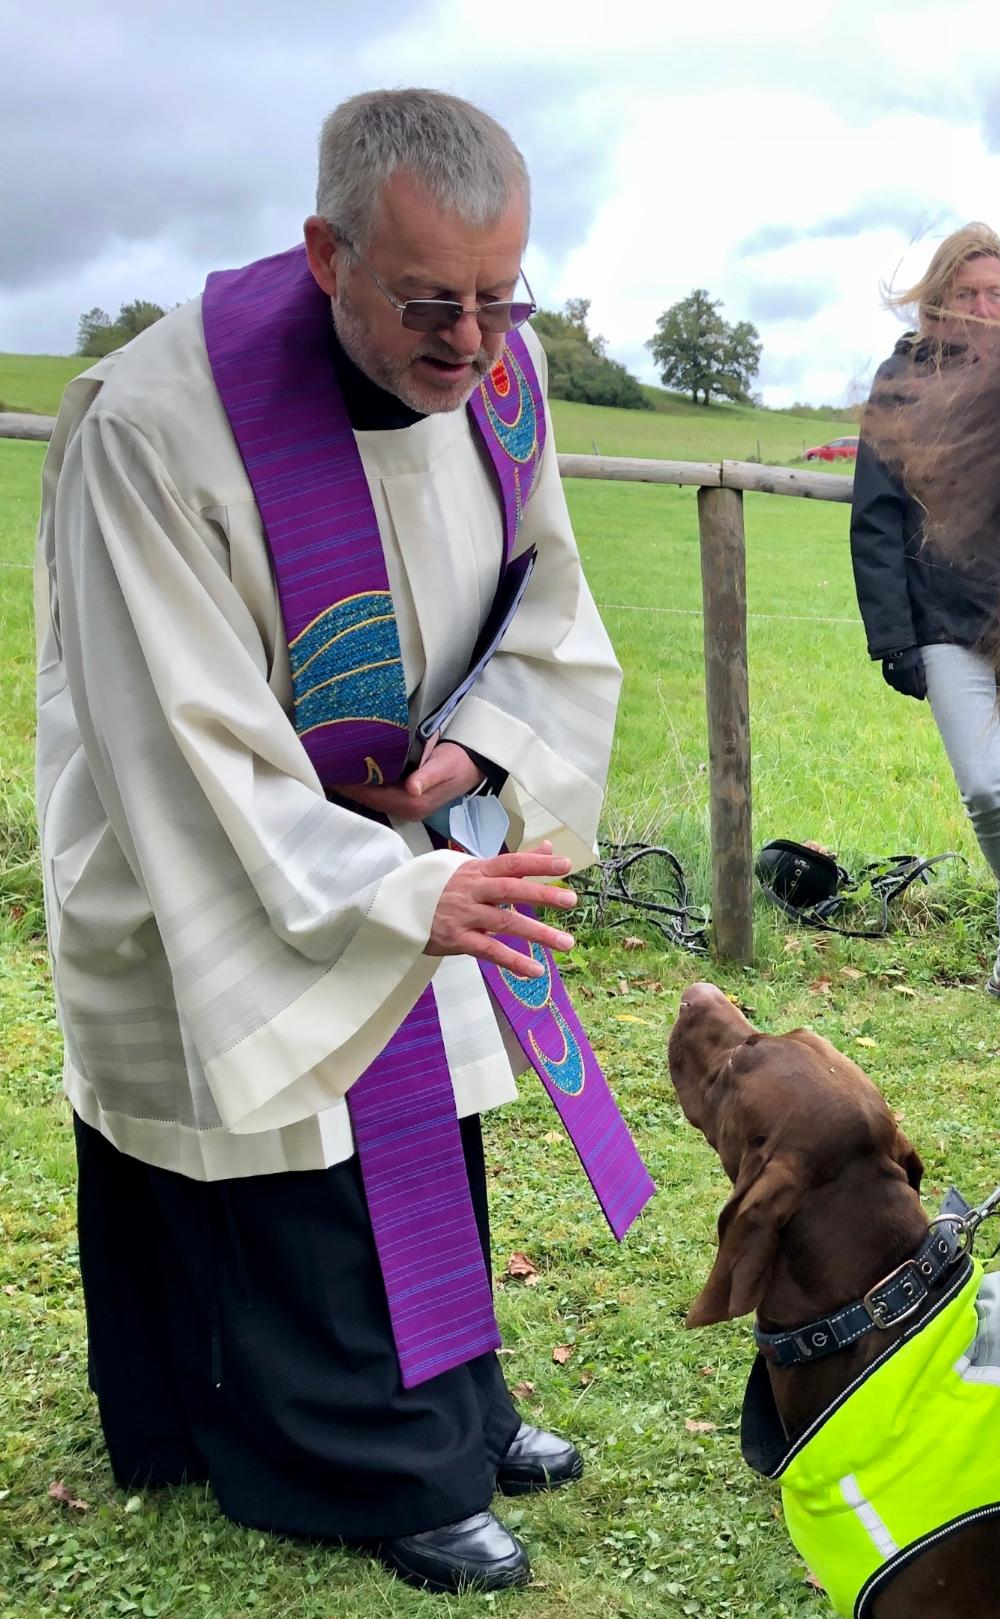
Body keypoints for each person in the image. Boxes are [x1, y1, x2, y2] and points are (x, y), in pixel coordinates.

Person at [34, 90, 643, 1593]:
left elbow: (545, 603)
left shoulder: (504, 382)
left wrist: (477, 747)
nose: (473, 343)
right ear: (325, 252)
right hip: (219, 853)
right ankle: (361, 1449)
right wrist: (394, 885)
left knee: (429, 1121)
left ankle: (454, 1397)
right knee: (292, 1147)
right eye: (431, 302)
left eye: (503, 297)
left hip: (412, 823)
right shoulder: (156, 427)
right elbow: (182, 737)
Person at [849, 225, 1000, 1012]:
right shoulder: (900, 382)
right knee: (989, 790)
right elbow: (876, 513)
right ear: (939, 295)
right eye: (966, 292)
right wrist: (892, 636)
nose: (981, 307)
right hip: (941, 618)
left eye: (994, 294)